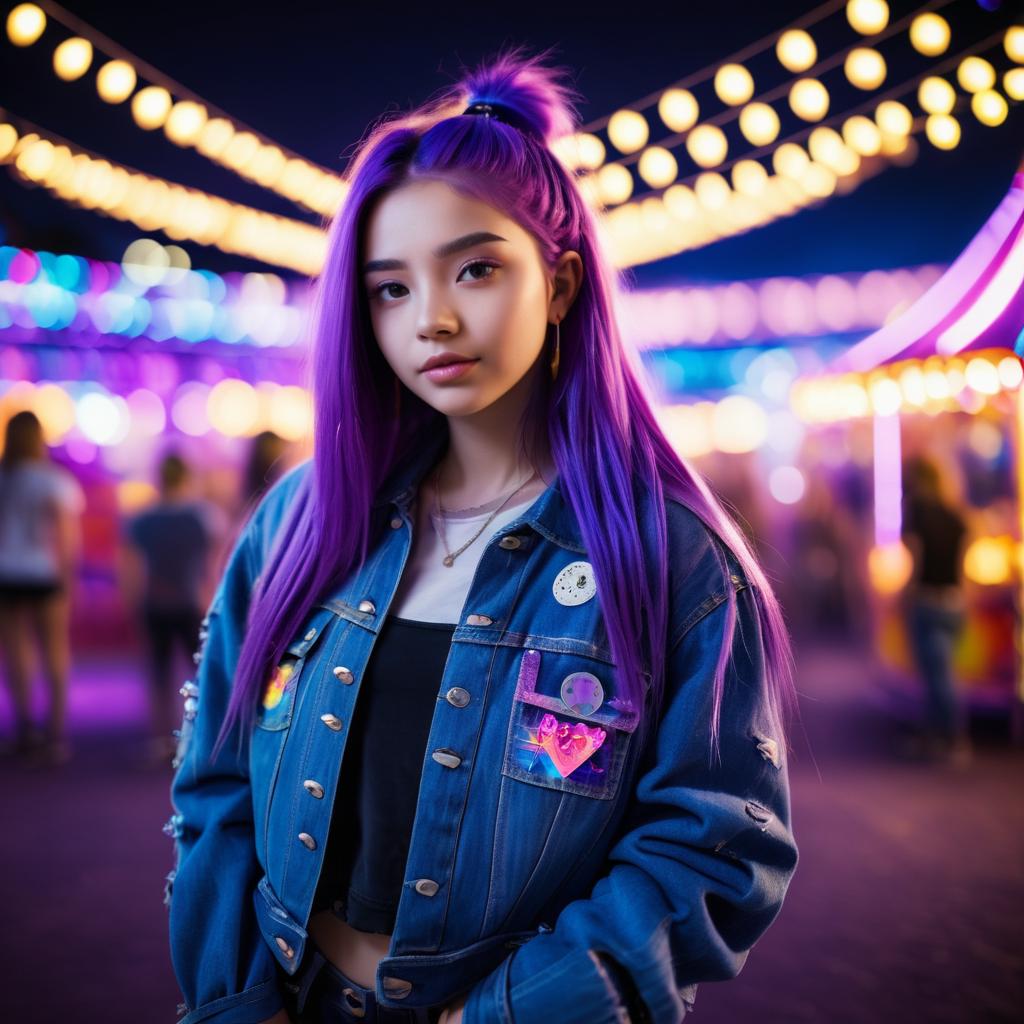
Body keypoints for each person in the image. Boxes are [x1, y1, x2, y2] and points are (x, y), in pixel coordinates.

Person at [165, 47, 800, 1024]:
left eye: (475, 268)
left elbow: (711, 848)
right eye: (391, 288)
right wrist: (237, 997)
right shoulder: (301, 521)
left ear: (561, 284)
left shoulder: (674, 561)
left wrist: (507, 1012)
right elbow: (213, 788)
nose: (435, 319)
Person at [121, 453, 223, 765]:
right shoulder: (204, 515)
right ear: (185, 477)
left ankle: (161, 739)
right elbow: (215, 565)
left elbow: (131, 566)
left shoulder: (142, 518)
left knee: (159, 673)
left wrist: (133, 599)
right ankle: (203, 737)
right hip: (193, 602)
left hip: (155, 601)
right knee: (203, 671)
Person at [0, 409, 85, 766]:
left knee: (16, 651)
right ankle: (55, 732)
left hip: (7, 571)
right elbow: (65, 535)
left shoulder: (5, 480)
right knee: (54, 649)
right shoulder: (53, 481)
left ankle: (24, 727)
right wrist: (69, 577)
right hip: (44, 570)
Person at [900, 455, 971, 767]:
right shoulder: (957, 515)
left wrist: (906, 595)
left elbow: (915, 558)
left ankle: (952, 738)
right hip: (955, 600)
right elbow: (964, 564)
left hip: (927, 599)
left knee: (934, 677)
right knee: (941, 673)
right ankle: (936, 737)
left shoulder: (916, 512)